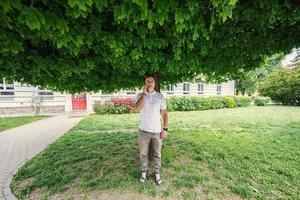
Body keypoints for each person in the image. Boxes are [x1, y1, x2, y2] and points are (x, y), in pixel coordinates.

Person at [135, 74, 168, 185]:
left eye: (151, 81)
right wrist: (144, 94)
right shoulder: (140, 95)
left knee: (157, 154)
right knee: (143, 153)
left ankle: (156, 173)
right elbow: (138, 108)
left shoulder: (160, 96)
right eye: (147, 81)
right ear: (145, 83)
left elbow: (164, 113)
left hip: (157, 131)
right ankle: (144, 172)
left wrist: (165, 128)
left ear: (155, 83)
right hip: (143, 130)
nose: (149, 83)